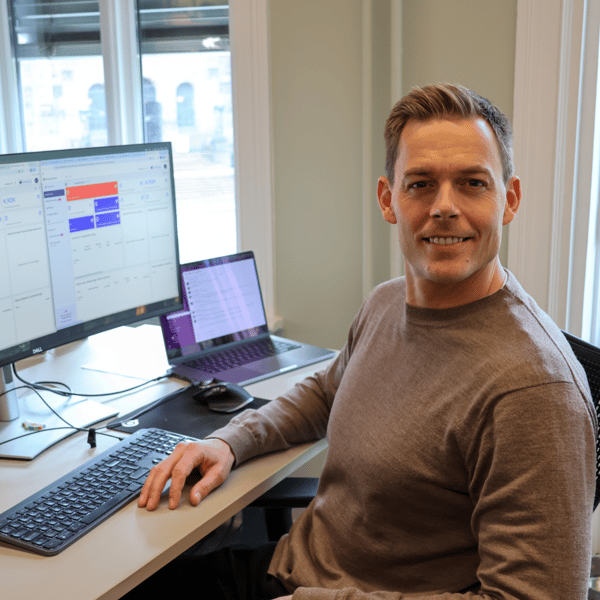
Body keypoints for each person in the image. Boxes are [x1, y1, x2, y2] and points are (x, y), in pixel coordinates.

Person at [137, 84, 598, 599]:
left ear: (508, 200)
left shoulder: (534, 392)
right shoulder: (386, 302)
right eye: (421, 184)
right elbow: (326, 393)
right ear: (388, 199)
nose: (445, 207)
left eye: (473, 183)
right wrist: (228, 442)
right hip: (295, 568)